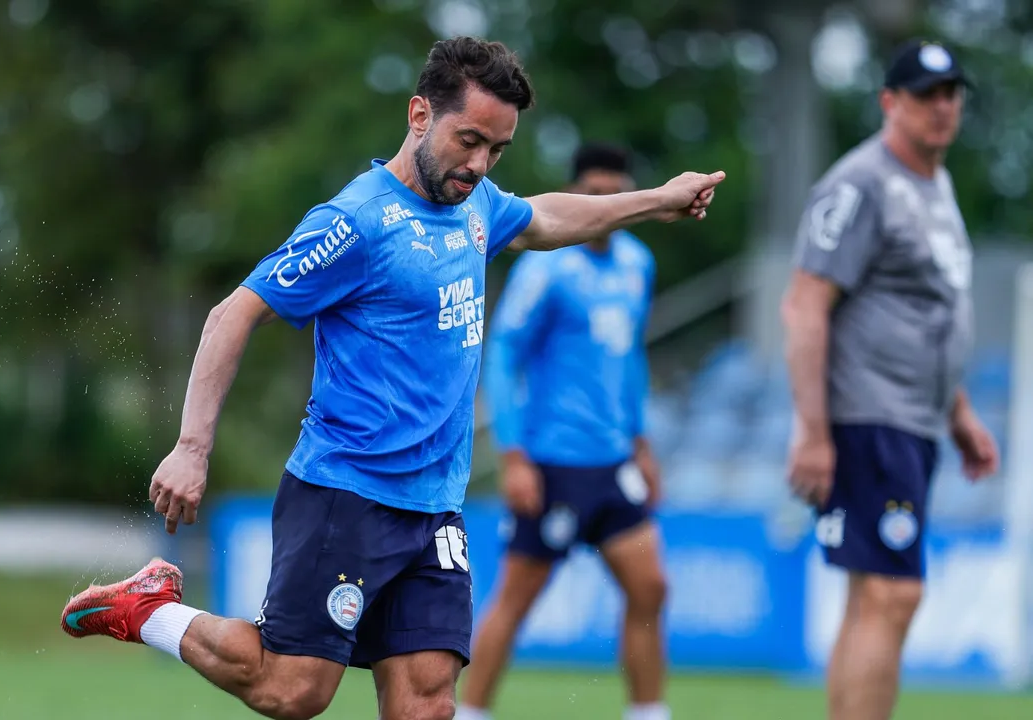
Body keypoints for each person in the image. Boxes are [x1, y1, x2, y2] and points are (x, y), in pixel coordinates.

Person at [60, 36, 724, 720]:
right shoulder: (356, 224)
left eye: (496, 150)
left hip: (435, 507)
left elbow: (549, 216)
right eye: (468, 141)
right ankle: (148, 611)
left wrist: (655, 202)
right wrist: (192, 448)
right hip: (345, 496)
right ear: (418, 116)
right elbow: (232, 315)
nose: (478, 165)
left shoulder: (477, 206)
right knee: (292, 691)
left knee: (427, 702)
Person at [781, 39, 998, 720]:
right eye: (926, 94)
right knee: (891, 594)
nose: (942, 107)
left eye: (951, 93)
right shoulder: (860, 183)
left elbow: (924, 314)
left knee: (875, 595)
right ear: (889, 102)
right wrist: (813, 432)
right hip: (868, 416)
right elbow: (804, 305)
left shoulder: (936, 186)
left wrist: (957, 413)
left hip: (912, 419)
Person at [455, 143, 671, 720]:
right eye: (593, 194)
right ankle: (471, 712)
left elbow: (629, 359)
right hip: (553, 463)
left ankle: (648, 711)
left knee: (650, 590)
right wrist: (516, 456)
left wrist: (642, 442)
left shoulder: (636, 263)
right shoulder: (546, 266)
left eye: (614, 193)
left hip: (613, 460)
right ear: (577, 195)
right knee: (517, 599)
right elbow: (504, 357)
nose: (604, 204)